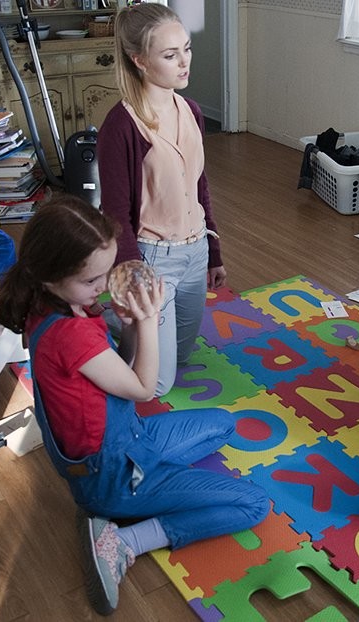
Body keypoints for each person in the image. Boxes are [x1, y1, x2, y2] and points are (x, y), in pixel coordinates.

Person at [0, 196, 269, 615]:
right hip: (114, 476)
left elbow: (115, 370)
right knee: (253, 504)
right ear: (49, 277)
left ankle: (161, 487)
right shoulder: (70, 334)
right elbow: (143, 388)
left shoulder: (50, 305)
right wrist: (147, 319)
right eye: (91, 281)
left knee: (223, 424)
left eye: (105, 274)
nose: (102, 288)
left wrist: (127, 328)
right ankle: (124, 541)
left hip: (129, 440)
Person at [98, 3, 224, 397]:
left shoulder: (191, 110)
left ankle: (129, 319)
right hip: (154, 259)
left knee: (183, 357)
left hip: (195, 252)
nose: (184, 63)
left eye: (186, 49)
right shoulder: (121, 126)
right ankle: (111, 315)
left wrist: (214, 250)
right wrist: (135, 279)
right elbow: (116, 213)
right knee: (156, 385)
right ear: (139, 60)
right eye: (170, 55)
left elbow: (198, 184)